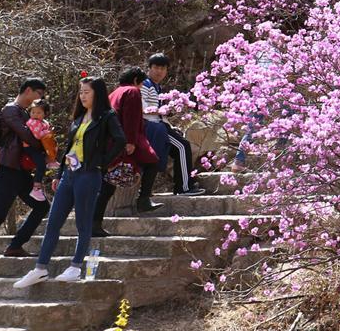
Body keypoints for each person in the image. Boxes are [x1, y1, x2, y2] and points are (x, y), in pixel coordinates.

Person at [13, 76, 125, 288]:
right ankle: (40, 268)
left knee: (83, 224)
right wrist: (58, 173)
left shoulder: (107, 116)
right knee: (53, 222)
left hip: (88, 175)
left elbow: (120, 140)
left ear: (97, 94)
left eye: (87, 92)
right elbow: (69, 147)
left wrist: (101, 163)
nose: (82, 96)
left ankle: (75, 266)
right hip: (69, 174)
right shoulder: (79, 116)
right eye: (81, 92)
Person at [0, 78, 49, 279]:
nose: (40, 99)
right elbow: (28, 136)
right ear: (29, 90)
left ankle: (15, 245)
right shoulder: (11, 110)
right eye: (39, 94)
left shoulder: (23, 112)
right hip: (7, 169)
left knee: (42, 206)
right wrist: (44, 144)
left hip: (20, 171)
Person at [92, 67, 162, 237]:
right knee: (153, 161)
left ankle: (95, 224)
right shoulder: (132, 91)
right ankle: (143, 199)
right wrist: (130, 141)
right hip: (126, 138)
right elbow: (131, 117)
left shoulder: (114, 93)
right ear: (137, 80)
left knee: (107, 188)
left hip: (111, 142)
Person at [140, 54, 205, 196]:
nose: (159, 71)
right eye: (156, 67)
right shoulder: (146, 85)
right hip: (152, 126)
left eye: (163, 68)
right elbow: (142, 108)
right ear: (149, 68)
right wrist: (163, 111)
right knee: (182, 147)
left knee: (180, 147)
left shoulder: (156, 87)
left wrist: (168, 121)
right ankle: (184, 187)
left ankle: (183, 185)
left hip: (159, 125)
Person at [22, 99, 58, 202]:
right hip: (30, 147)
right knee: (41, 165)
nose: (35, 114)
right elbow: (37, 135)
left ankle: (51, 160)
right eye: (33, 112)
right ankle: (36, 187)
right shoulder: (32, 122)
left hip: (37, 146)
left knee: (52, 145)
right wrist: (47, 133)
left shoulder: (43, 122)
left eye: (38, 112)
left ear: (45, 113)